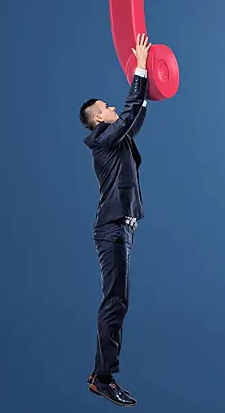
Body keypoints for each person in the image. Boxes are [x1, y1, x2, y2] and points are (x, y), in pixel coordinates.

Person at [78, 33, 153, 407]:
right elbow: (129, 118)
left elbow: (134, 119)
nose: (112, 108)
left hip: (120, 229)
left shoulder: (114, 137)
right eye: (107, 106)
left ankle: (100, 373)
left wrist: (148, 81)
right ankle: (103, 378)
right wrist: (140, 68)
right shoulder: (104, 138)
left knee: (117, 300)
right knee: (115, 302)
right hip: (112, 230)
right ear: (97, 119)